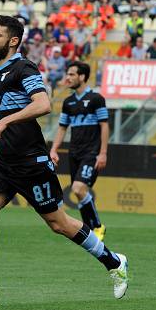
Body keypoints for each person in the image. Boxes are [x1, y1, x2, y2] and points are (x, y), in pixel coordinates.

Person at [0, 16, 128, 310]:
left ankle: (114, 261)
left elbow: (43, 104)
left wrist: (5, 120)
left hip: (32, 162)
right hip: (4, 162)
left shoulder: (24, 68)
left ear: (13, 41)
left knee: (58, 223)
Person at [50, 61, 109, 241]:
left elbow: (104, 126)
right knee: (79, 191)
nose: (68, 77)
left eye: (72, 74)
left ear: (82, 77)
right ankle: (90, 228)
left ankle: (97, 227)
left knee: (78, 188)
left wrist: (103, 153)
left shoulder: (96, 99)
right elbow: (62, 128)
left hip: (91, 152)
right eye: (68, 74)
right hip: (74, 153)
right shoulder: (68, 102)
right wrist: (53, 149)